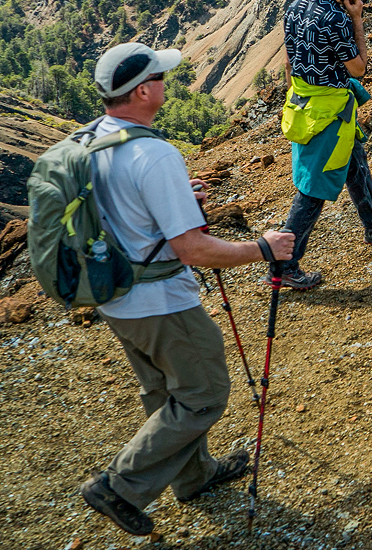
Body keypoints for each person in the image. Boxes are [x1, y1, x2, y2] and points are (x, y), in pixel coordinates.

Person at [79, 42, 297, 537]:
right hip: (159, 302)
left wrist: (181, 198)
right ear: (141, 91)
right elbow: (193, 251)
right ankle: (119, 485)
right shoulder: (153, 154)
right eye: (158, 76)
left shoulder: (93, 140)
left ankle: (192, 477)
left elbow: (129, 215)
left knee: (163, 389)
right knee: (203, 393)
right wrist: (261, 248)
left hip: (114, 295)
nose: (164, 82)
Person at [275, 0, 372, 292]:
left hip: (305, 104)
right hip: (330, 110)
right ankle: (285, 264)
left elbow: (288, 62)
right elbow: (358, 68)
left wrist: (301, 96)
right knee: (314, 188)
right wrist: (357, 18)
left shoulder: (295, 8)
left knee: (351, 158)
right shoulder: (335, 17)